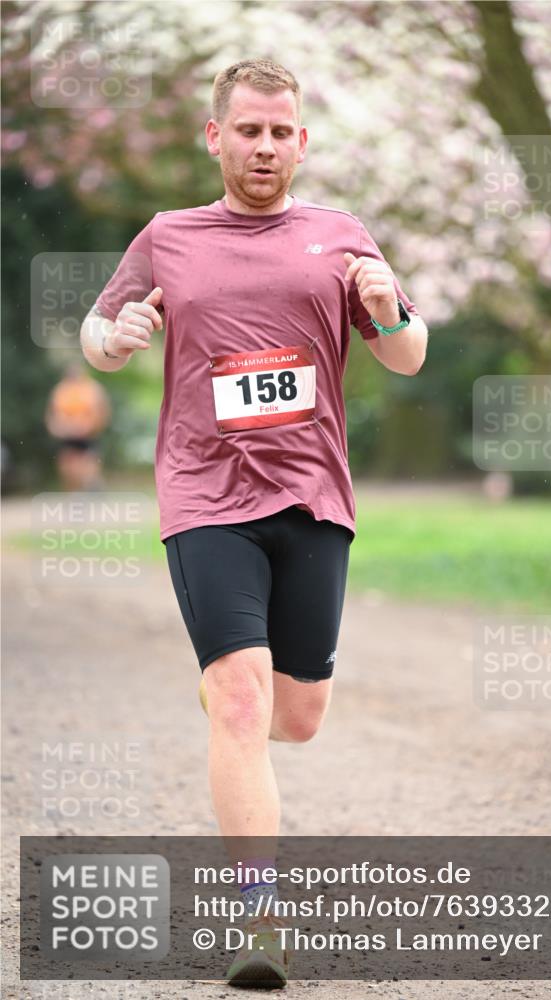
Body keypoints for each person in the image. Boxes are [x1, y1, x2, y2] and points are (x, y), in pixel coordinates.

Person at [80, 58, 428, 988]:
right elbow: (99, 332)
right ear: (216, 137)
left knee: (297, 717)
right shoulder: (169, 237)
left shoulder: (339, 235)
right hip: (204, 498)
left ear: (301, 141)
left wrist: (390, 310)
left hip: (313, 496)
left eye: (281, 132)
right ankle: (258, 925)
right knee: (241, 702)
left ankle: (232, 699)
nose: (264, 146)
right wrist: (112, 339)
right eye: (248, 130)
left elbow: (405, 356)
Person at [44, 362, 111, 491]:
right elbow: (51, 413)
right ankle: (75, 491)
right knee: (66, 465)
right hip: (67, 434)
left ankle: (91, 485)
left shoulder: (92, 388)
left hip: (88, 434)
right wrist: (55, 428)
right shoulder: (61, 390)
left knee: (88, 463)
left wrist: (92, 427)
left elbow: (102, 411)